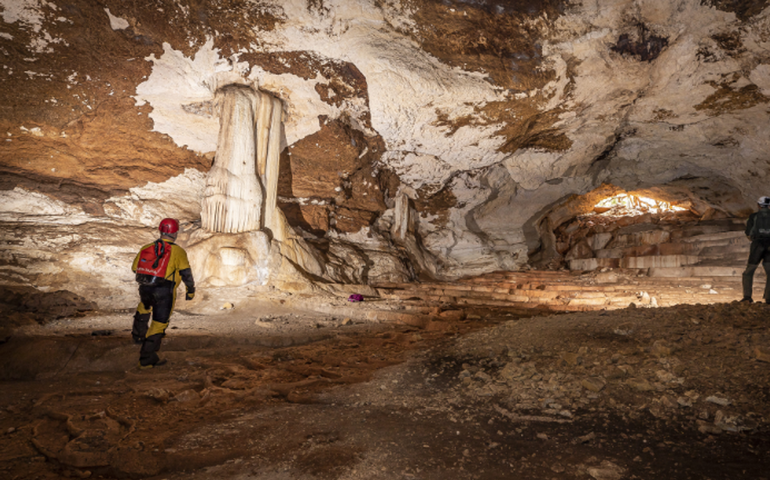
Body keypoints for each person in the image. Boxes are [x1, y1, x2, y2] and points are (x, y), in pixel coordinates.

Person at [131, 218, 196, 368]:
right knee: (159, 324)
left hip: (145, 288)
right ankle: (147, 359)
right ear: (175, 233)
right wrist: (190, 291)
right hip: (165, 291)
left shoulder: (146, 247)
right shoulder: (178, 251)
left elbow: (135, 268)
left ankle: (138, 336)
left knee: (144, 306)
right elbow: (186, 274)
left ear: (160, 231)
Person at [741, 196, 770, 304]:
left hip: (757, 245)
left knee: (749, 272)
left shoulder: (753, 217)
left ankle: (747, 297)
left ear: (758, 205)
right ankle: (769, 298)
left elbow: (748, 233)